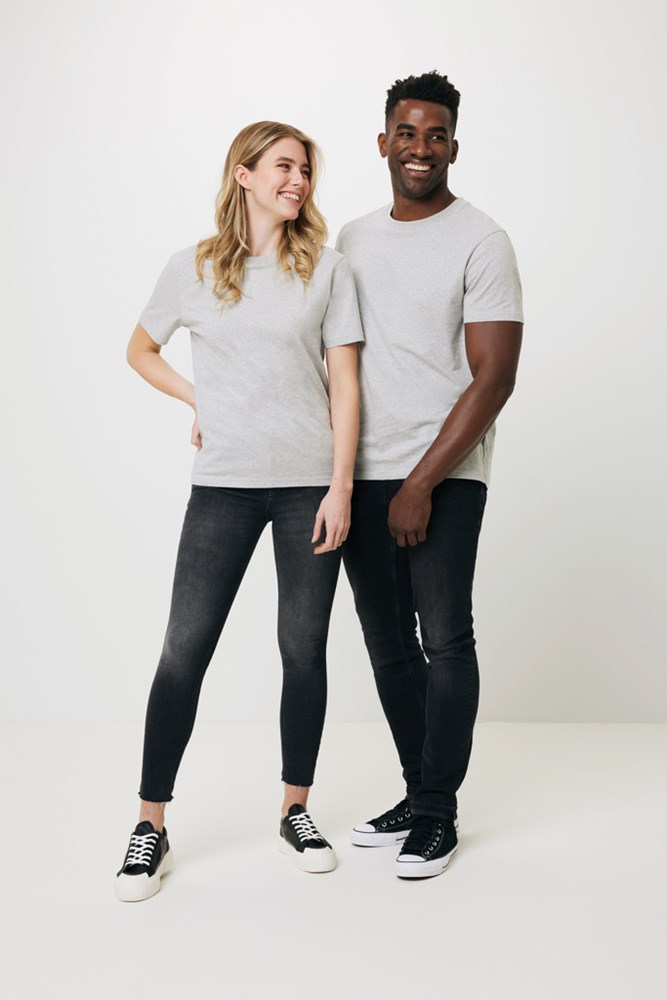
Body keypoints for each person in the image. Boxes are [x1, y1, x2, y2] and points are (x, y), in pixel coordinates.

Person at [115, 121, 363, 901]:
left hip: (308, 487)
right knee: (183, 651)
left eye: (306, 170)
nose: (299, 181)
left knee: (303, 648)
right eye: (284, 166)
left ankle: (295, 810)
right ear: (244, 174)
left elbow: (346, 384)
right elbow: (140, 350)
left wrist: (341, 486)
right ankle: (150, 825)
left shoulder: (327, 269)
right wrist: (201, 398)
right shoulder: (191, 267)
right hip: (222, 485)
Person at [337, 72, 523, 878]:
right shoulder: (349, 239)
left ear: (453, 145)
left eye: (436, 135)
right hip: (358, 474)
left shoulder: (481, 240)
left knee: (443, 639)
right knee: (387, 645)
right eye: (407, 133)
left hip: (442, 475)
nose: (420, 148)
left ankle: (438, 814)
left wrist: (420, 484)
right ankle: (418, 794)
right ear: (384, 142)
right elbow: (332, 357)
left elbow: (494, 376)